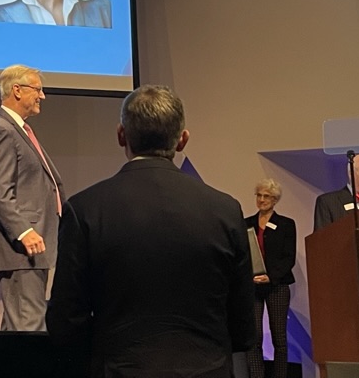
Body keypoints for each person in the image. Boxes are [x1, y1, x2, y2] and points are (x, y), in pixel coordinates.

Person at [47, 84, 255, 377]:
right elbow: (243, 328)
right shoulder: (226, 210)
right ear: (182, 140)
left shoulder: (85, 210)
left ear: (121, 135)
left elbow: (65, 323)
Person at [0, 65, 65, 331]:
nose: (42, 96)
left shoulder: (18, 130)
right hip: (21, 248)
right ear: (17, 90)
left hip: (33, 246)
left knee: (19, 326)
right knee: (29, 326)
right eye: (37, 89)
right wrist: (24, 231)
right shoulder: (1, 130)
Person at [245, 179, 296, 378]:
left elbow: (288, 258)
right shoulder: (246, 223)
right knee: (254, 336)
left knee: (279, 338)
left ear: (275, 200)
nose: (262, 199)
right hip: (253, 286)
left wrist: (270, 277)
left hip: (277, 285)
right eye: (259, 195)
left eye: (266, 196)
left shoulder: (286, 224)